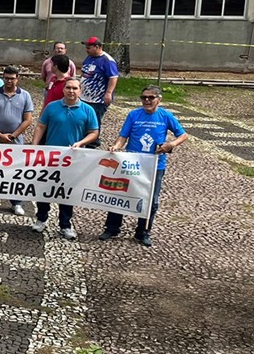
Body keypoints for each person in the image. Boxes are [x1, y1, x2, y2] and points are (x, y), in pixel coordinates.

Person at [100, 86, 188, 247]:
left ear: (158, 99)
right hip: (132, 162)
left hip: (155, 164)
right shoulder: (134, 115)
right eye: (144, 97)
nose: (146, 100)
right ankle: (112, 227)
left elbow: (183, 134)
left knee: (151, 200)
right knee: (120, 194)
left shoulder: (165, 116)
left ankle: (143, 231)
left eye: (151, 97)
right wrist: (116, 146)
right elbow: (123, 136)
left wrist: (171, 144)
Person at [32, 78, 99, 240]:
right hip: (51, 157)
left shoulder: (88, 110)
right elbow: (41, 126)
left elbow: (94, 132)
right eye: (68, 88)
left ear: (80, 91)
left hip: (73, 159)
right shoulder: (52, 107)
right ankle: (41, 218)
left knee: (67, 192)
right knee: (45, 189)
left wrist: (81, 143)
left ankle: (65, 224)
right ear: (63, 90)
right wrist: (34, 145)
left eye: (75, 88)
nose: (71, 91)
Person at [0, 65, 33, 216]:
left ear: (17, 79)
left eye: (12, 78)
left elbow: (27, 120)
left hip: (15, 142)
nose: (9, 81)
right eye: (6, 78)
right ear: (3, 78)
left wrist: (13, 135)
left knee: (15, 172)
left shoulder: (25, 95)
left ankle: (16, 202)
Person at [81, 37, 119, 142]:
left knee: (94, 121)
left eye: (89, 47)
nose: (86, 50)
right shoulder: (89, 58)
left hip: (98, 99)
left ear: (97, 47)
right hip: (84, 96)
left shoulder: (107, 60)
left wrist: (109, 93)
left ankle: (93, 143)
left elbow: (113, 77)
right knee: (83, 119)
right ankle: (83, 140)